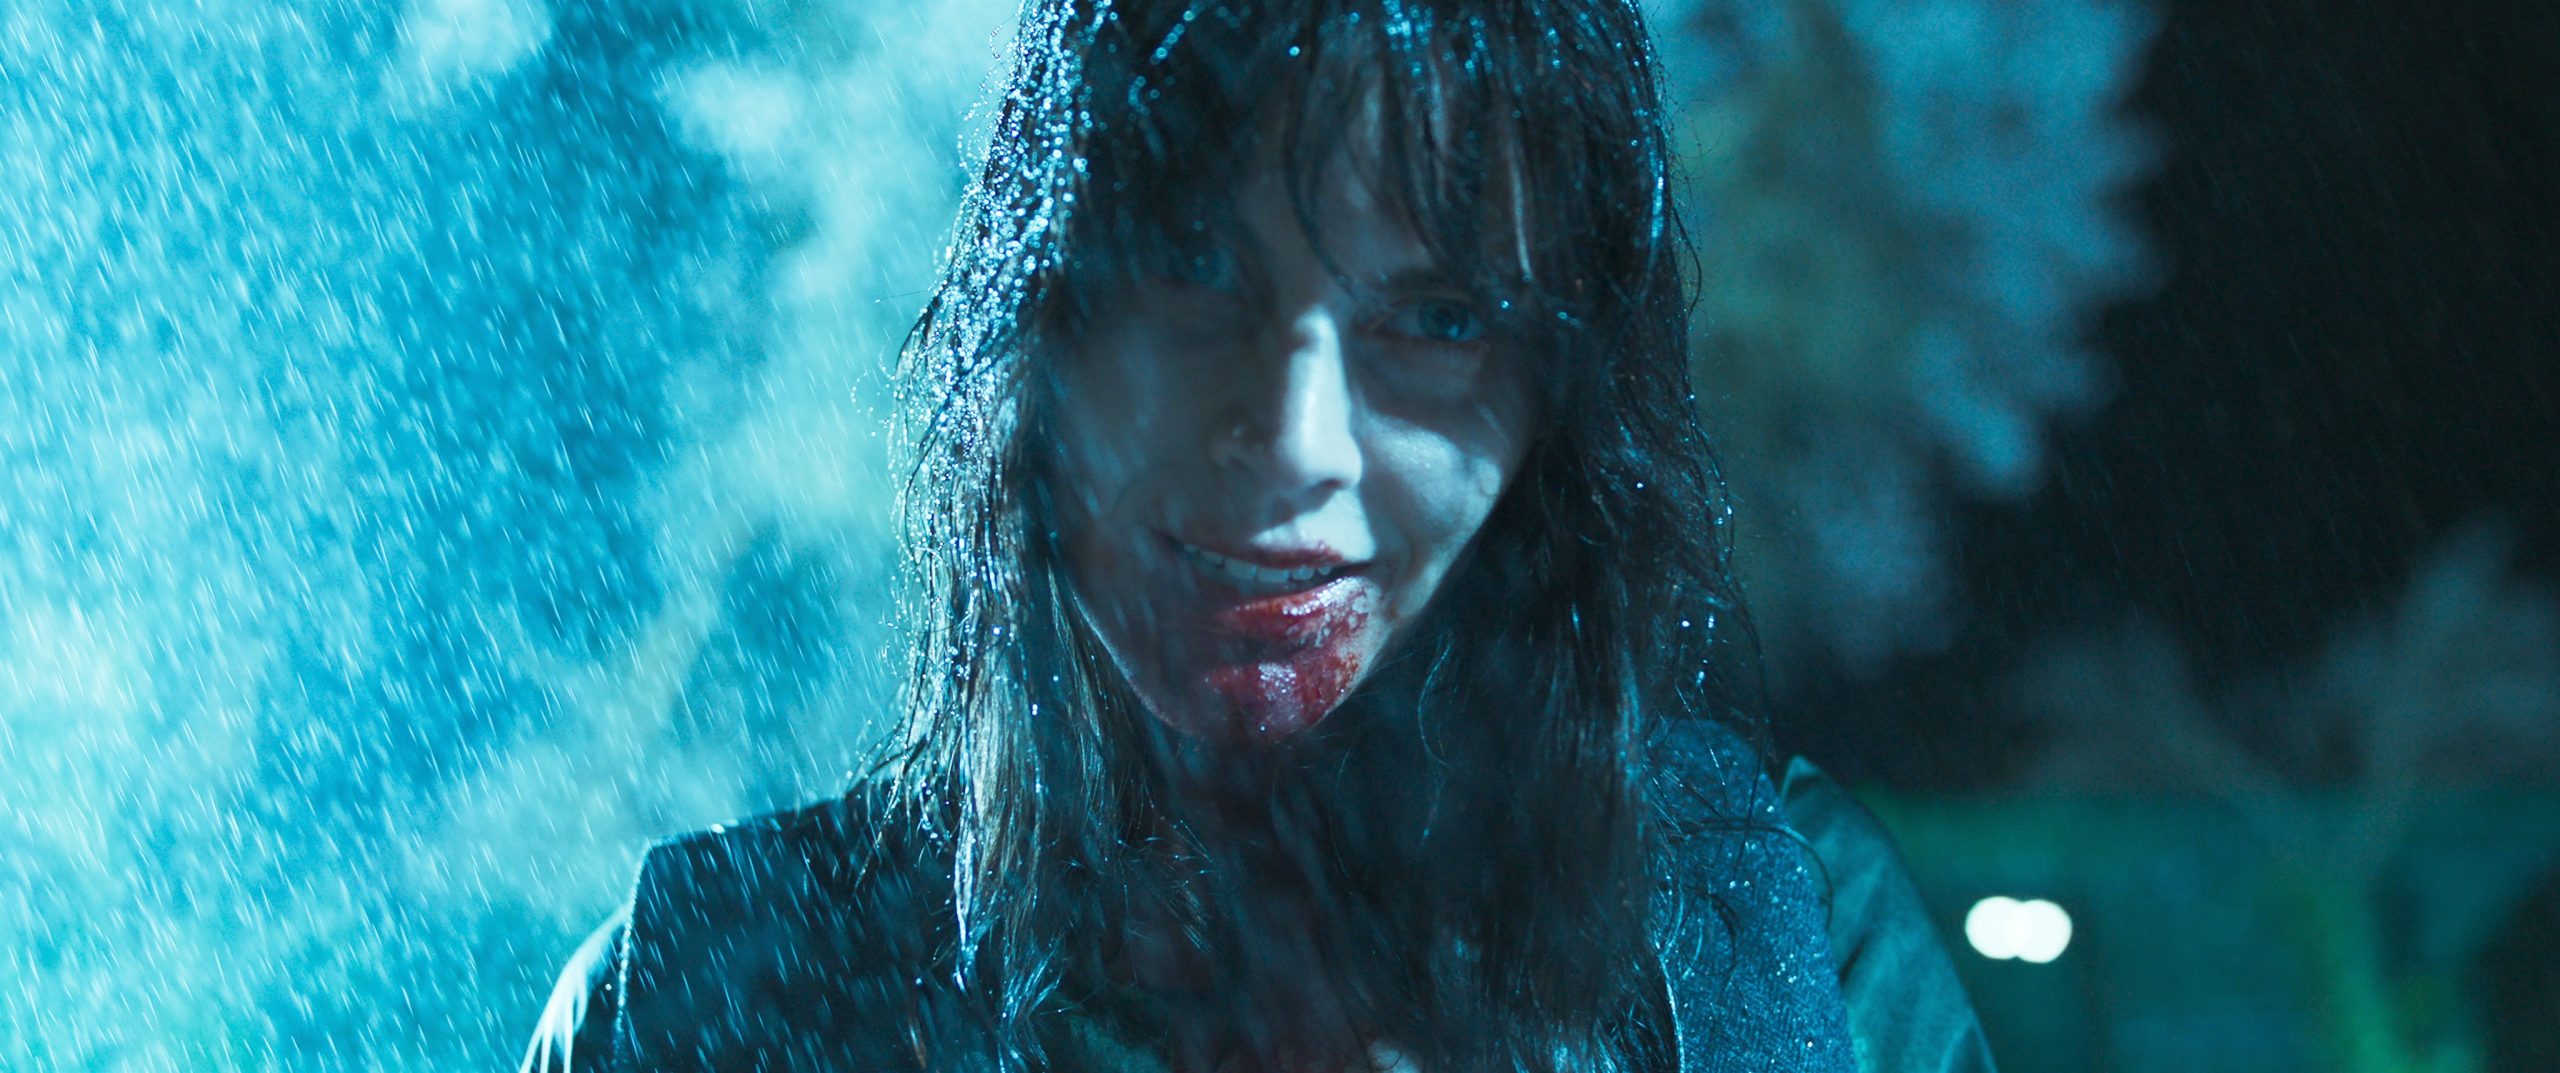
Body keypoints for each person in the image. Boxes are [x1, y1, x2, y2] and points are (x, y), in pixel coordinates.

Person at [522, 1, 1994, 1070]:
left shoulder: (1783, 945)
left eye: (1437, 317)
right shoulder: (700, 999)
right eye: (1192, 265)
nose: (1292, 442)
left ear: (1557, 400)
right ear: (1037, 319)